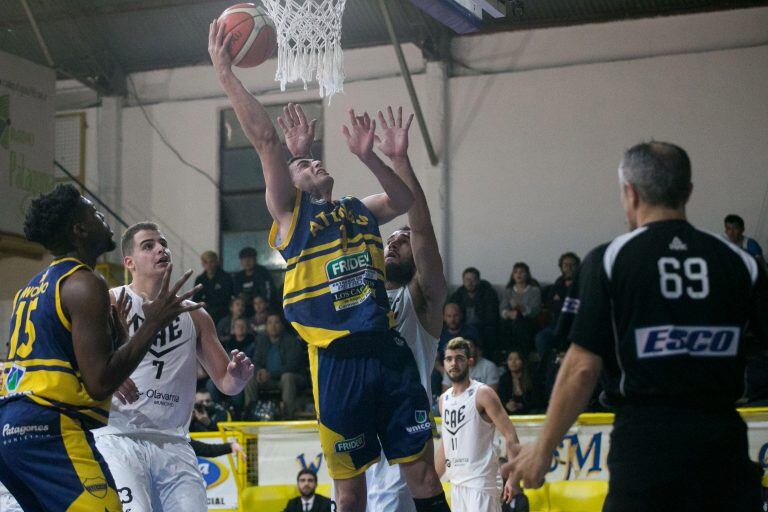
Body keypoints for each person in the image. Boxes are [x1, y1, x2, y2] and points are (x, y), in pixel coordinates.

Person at [210, 23, 449, 512]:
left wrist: (374, 157)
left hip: (386, 350)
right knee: (350, 491)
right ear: (289, 187)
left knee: (423, 473)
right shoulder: (291, 220)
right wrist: (225, 72)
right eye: (303, 166)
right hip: (339, 361)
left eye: (313, 159)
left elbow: (404, 200)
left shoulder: (358, 209)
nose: (312, 162)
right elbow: (266, 143)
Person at [507, 142, 768, 511]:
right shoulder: (741, 262)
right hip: (723, 446)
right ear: (688, 191)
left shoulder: (610, 259)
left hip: (645, 450)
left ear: (629, 192)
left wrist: (543, 450)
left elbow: (582, 367)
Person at [0, 185, 199, 511]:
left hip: (10, 426)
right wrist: (153, 323)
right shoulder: (85, 283)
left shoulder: (32, 287)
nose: (102, 217)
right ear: (79, 229)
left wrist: (120, 339)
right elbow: (100, 382)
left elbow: (71, 360)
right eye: (93, 212)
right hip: (48, 426)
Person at [93, 222, 255, 512]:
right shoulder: (110, 302)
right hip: (119, 437)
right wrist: (109, 375)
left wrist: (238, 376)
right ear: (129, 262)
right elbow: (80, 364)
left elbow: (226, 384)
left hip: (174, 442)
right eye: (148, 245)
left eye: (163, 243)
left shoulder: (196, 315)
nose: (160, 249)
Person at [364, 106, 449, 512]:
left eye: (402, 240)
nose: (393, 243)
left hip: (403, 427)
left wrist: (399, 162)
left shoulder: (421, 299)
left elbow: (422, 230)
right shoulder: (364, 296)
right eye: (388, 239)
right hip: (361, 428)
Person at [437, 338, 519, 512]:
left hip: (481, 482)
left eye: (459, 358)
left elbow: (510, 434)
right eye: (449, 359)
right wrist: (431, 480)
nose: (454, 363)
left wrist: (513, 477)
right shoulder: (443, 399)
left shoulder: (483, 393)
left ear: (470, 362)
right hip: (456, 483)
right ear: (444, 364)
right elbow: (446, 444)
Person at [245, 312, 307, 419]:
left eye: (276, 323)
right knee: (249, 379)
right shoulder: (261, 340)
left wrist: (270, 374)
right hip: (268, 380)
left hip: (289, 379)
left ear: (282, 325)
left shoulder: (291, 341)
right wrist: (259, 371)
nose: (273, 326)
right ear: (266, 326)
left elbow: (292, 366)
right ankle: (251, 414)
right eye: (270, 323)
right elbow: (256, 360)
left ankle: (288, 415)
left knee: (287, 377)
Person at [534, 252, 580, 358]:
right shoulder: (558, 283)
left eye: (572, 265)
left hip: (576, 325)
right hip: (557, 324)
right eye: (565, 265)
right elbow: (550, 304)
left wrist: (560, 301)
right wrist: (567, 302)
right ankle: (549, 366)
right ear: (561, 267)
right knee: (541, 338)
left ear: (577, 266)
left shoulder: (583, 282)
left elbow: (580, 305)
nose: (569, 268)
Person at [449, 268, 500, 356]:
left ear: (478, 281)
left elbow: (492, 317)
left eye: (473, 279)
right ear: (463, 281)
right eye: (467, 280)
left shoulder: (488, 293)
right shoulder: (458, 294)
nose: (470, 283)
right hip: (463, 326)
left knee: (490, 332)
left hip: (483, 327)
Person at [500, 262, 541, 356]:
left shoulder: (534, 291)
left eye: (522, 272)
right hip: (510, 322)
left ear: (527, 275)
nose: (518, 274)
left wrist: (520, 308)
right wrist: (508, 313)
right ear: (513, 275)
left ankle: (521, 355)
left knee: (519, 320)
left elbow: (535, 311)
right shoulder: (508, 291)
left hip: (529, 322)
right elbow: (502, 309)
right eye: (516, 272)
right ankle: (508, 356)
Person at [193, 250, 233, 325]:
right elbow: (196, 298)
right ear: (202, 264)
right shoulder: (200, 279)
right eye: (206, 262)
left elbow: (225, 297)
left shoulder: (226, 277)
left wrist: (207, 303)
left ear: (216, 262)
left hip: (222, 311)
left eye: (211, 262)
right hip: (205, 310)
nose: (209, 265)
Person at [233, 246, 277, 314]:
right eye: (244, 259)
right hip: (244, 309)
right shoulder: (238, 277)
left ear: (255, 259)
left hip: (262, 309)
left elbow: (269, 293)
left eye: (250, 258)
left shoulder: (263, 273)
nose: (247, 262)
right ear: (241, 262)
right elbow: (236, 294)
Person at [497, 350, 534, 415]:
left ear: (523, 361)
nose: (513, 362)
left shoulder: (532, 378)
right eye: (510, 359)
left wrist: (520, 406)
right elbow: (500, 399)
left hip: (529, 415)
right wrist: (506, 405)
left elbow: (538, 401)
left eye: (517, 359)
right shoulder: (504, 379)